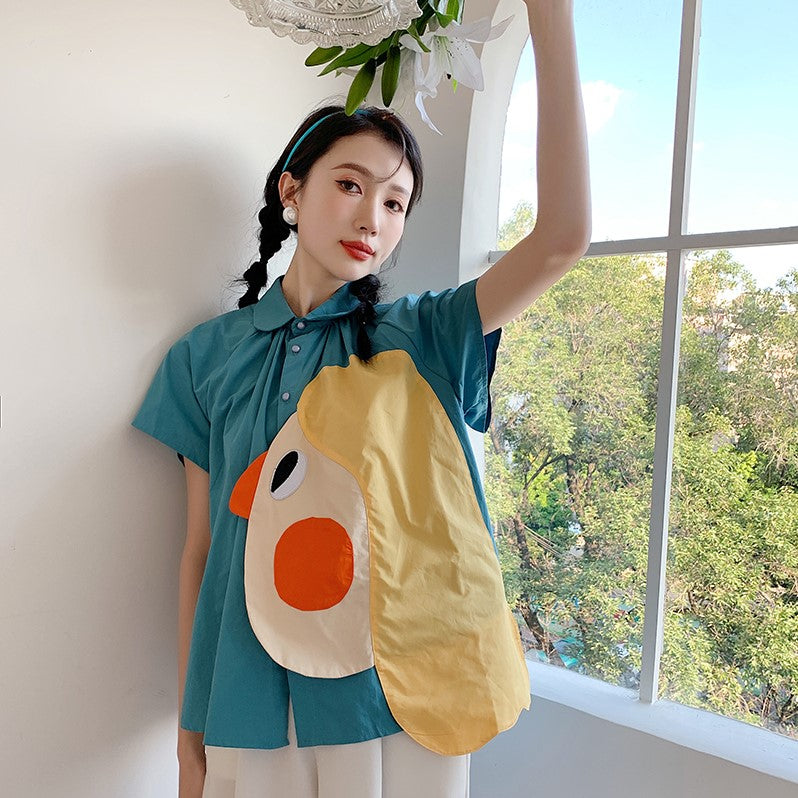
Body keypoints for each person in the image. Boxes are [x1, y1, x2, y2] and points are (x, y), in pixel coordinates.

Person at [131, 3, 590, 796]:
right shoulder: (204, 358)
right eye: (350, 184)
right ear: (292, 190)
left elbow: (561, 240)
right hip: (246, 702)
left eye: (395, 202)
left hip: (394, 702)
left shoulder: (425, 336)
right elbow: (202, 553)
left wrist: (551, 17)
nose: (372, 217)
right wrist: (188, 734)